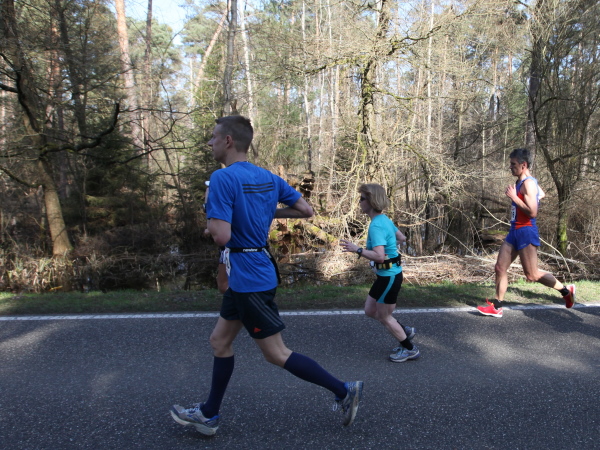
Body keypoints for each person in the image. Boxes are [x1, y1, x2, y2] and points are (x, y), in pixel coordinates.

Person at [170, 115, 363, 436]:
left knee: (276, 353)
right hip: (251, 270)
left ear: (228, 141)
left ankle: (344, 390)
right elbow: (305, 210)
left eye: (214, 137)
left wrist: (211, 217)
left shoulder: (221, 179)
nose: (210, 142)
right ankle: (209, 414)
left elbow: (220, 235)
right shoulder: (268, 178)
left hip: (249, 278)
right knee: (219, 341)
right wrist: (262, 211)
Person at [477, 148, 576, 318]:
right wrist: (528, 194)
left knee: (532, 275)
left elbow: (533, 212)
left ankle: (566, 291)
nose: (510, 167)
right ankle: (497, 306)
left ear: (523, 165)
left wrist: (515, 198)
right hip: (514, 231)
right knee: (500, 267)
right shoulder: (523, 182)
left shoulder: (528, 183)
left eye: (513, 164)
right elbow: (541, 194)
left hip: (526, 231)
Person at [340, 184, 419, 363]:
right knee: (370, 310)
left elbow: (379, 257)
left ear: (371, 201)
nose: (359, 202)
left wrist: (357, 249)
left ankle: (410, 349)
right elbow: (402, 238)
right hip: (386, 276)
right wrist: (390, 246)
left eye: (362, 199)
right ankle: (403, 330)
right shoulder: (384, 219)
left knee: (384, 316)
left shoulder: (376, 225)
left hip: (389, 276)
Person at [204, 180, 228, 294]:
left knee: (223, 285)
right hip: (228, 248)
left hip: (230, 248)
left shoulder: (224, 200)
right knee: (223, 284)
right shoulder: (215, 202)